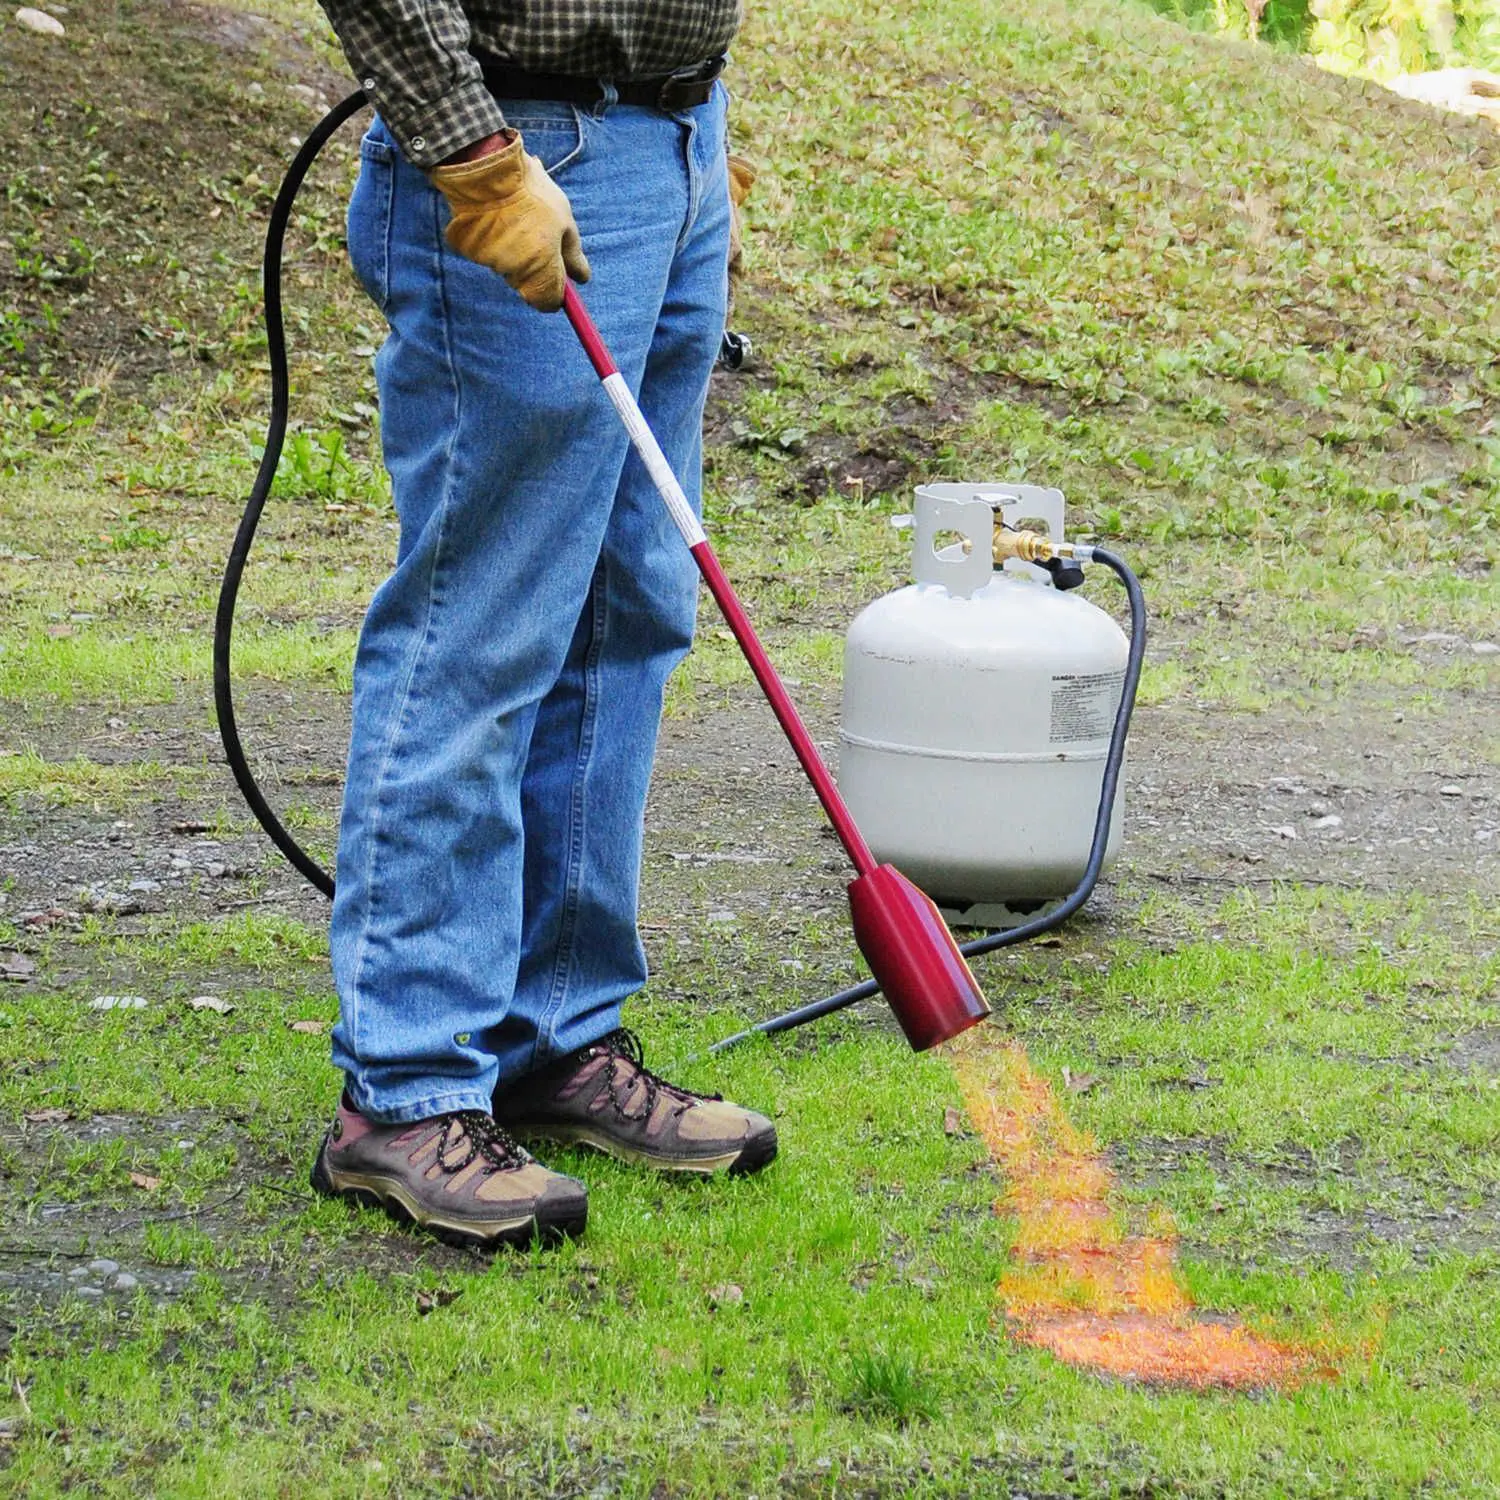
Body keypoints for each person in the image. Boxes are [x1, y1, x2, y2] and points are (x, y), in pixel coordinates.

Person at [306, 0, 777, 1249]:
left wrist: (686, 139)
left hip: (669, 142)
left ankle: (551, 1038)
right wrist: (473, 157)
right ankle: (406, 1093)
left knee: (628, 613)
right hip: (524, 146)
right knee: (486, 627)